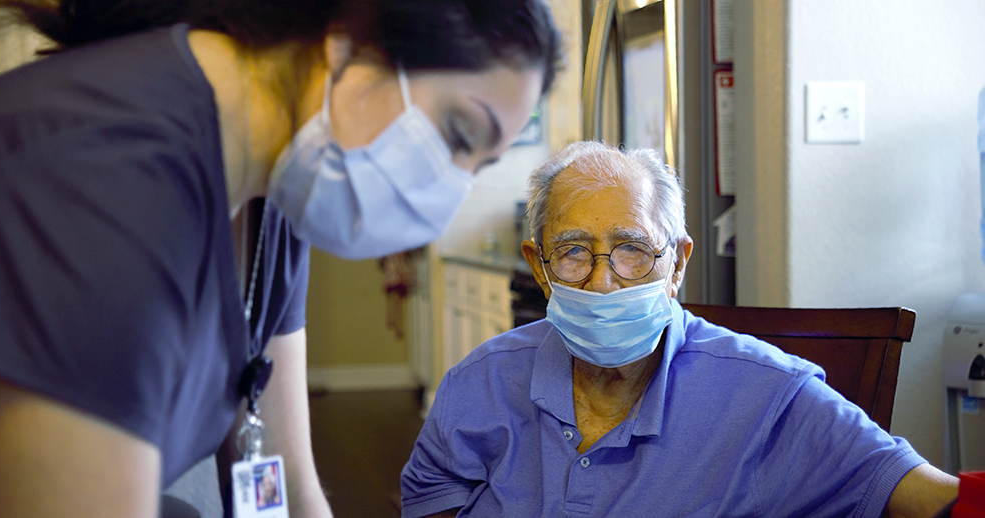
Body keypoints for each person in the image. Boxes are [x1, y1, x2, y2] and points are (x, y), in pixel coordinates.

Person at [0, 0, 561, 516]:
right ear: (350, 45)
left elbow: (287, 482)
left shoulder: (277, 189)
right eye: (458, 135)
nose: (449, 193)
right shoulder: (110, 178)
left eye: (476, 168)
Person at [400, 141, 959, 518]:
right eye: (572, 253)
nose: (602, 282)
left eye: (633, 251)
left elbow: (931, 498)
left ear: (678, 263)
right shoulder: (480, 382)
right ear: (538, 266)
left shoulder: (771, 394)